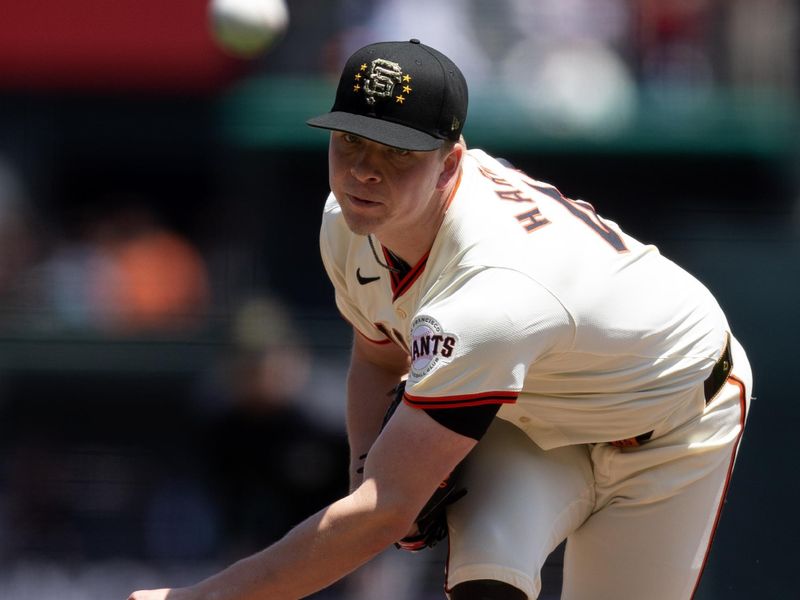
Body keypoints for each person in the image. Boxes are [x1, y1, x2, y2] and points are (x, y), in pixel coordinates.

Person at [128, 39, 753, 600]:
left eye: (397, 150)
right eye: (350, 139)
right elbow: (377, 352)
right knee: (487, 585)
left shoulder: (491, 292)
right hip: (533, 411)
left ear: (451, 162)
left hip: (672, 427)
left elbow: (384, 514)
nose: (364, 170)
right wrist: (365, 470)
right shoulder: (346, 224)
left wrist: (202, 599)